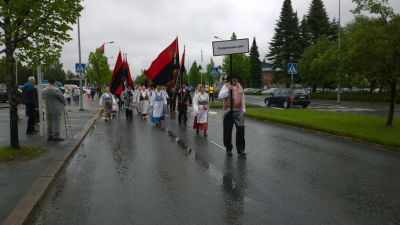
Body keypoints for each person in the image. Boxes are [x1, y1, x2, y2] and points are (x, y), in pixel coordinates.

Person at [218, 74, 246, 157]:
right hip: (228, 111)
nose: (235, 80)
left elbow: (243, 98)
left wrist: (243, 109)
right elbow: (220, 96)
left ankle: (241, 149)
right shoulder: (226, 86)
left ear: (238, 79)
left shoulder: (240, 87)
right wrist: (227, 91)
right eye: (233, 78)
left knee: (241, 130)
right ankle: (228, 149)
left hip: (239, 112)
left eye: (236, 78)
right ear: (230, 79)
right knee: (227, 131)